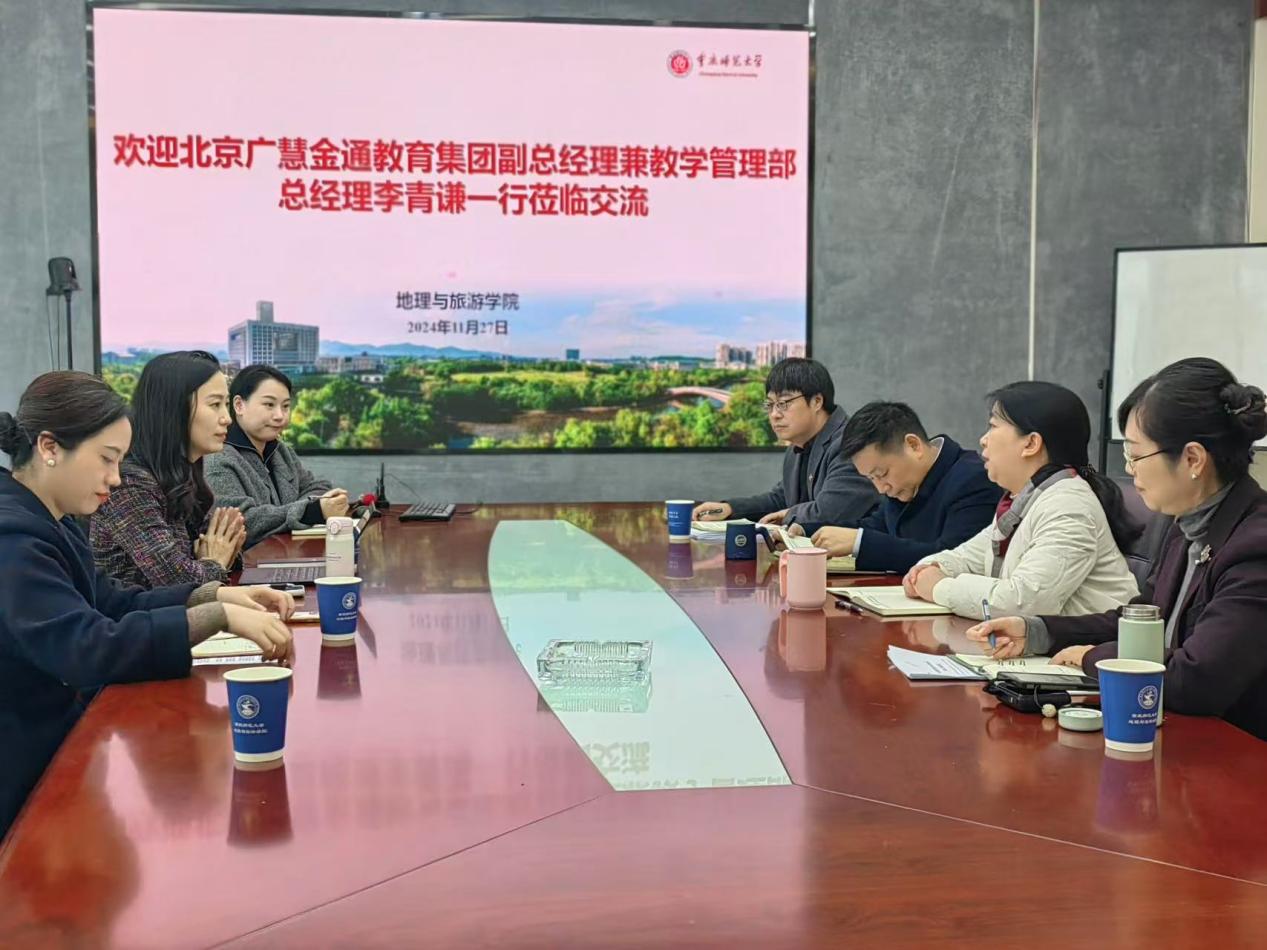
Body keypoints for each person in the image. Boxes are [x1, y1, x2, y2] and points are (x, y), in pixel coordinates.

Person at [0, 370, 295, 837]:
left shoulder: (52, 520)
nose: (115, 479)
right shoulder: (13, 538)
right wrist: (215, 615)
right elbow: (86, 647)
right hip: (24, 775)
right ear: (49, 447)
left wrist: (213, 593)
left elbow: (111, 600)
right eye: (106, 459)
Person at [970, 358, 1267, 741]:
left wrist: (1093, 657)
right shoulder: (1187, 525)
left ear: (1192, 459)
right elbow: (1137, 619)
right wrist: (1037, 632)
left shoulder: (1255, 545)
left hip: (1237, 752)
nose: (1129, 470)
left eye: (1136, 455)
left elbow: (1199, 680)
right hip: (1174, 731)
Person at [904, 381, 1139, 619]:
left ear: (1031, 443)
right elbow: (965, 558)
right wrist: (929, 569)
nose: (983, 440)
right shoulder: (1025, 499)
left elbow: (1023, 604)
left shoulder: (1068, 506)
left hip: (1096, 643)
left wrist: (938, 587)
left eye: (993, 426)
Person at [91, 351, 247, 588]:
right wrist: (215, 562)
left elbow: (211, 556)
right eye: (215, 405)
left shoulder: (182, 471)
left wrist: (220, 554)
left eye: (225, 405)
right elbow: (180, 582)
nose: (227, 418)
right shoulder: (129, 485)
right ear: (173, 409)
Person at [790, 401, 1002, 573]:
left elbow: (952, 558)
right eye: (871, 479)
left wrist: (859, 543)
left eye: (881, 474)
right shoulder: (902, 484)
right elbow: (876, 525)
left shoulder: (973, 479)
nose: (881, 489)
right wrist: (808, 532)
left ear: (913, 445)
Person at [692, 357, 877, 527]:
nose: (774, 414)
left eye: (783, 403)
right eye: (770, 405)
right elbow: (781, 499)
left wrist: (788, 515)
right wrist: (730, 509)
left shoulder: (851, 443)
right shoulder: (798, 445)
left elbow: (831, 513)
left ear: (817, 401)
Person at [204, 364, 350, 548]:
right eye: (269, 405)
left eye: (286, 406)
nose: (280, 415)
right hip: (248, 565)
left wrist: (306, 509)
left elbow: (318, 487)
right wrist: (308, 511)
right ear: (239, 405)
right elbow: (240, 522)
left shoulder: (282, 451)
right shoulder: (217, 458)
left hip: (286, 555)